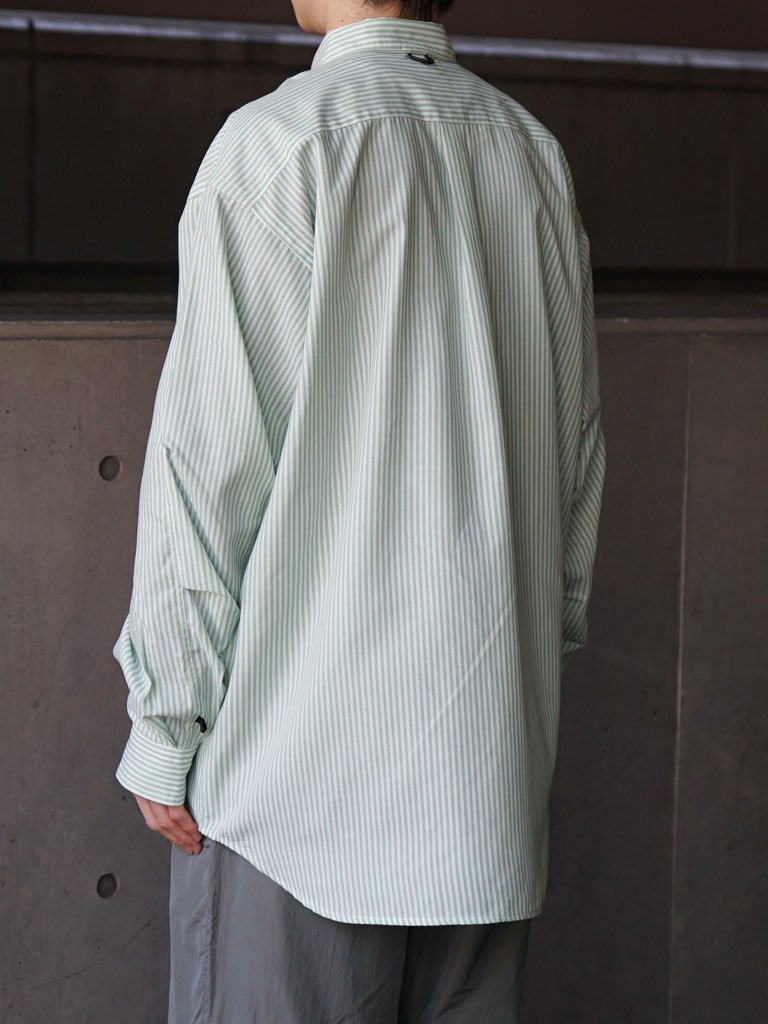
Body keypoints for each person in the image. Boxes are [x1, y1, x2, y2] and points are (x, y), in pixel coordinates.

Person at [111, 0, 606, 1020]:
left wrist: (166, 720)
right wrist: (528, 663)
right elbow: (576, 450)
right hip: (488, 790)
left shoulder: (277, 147)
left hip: (301, 800)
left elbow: (208, 471)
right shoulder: (531, 156)